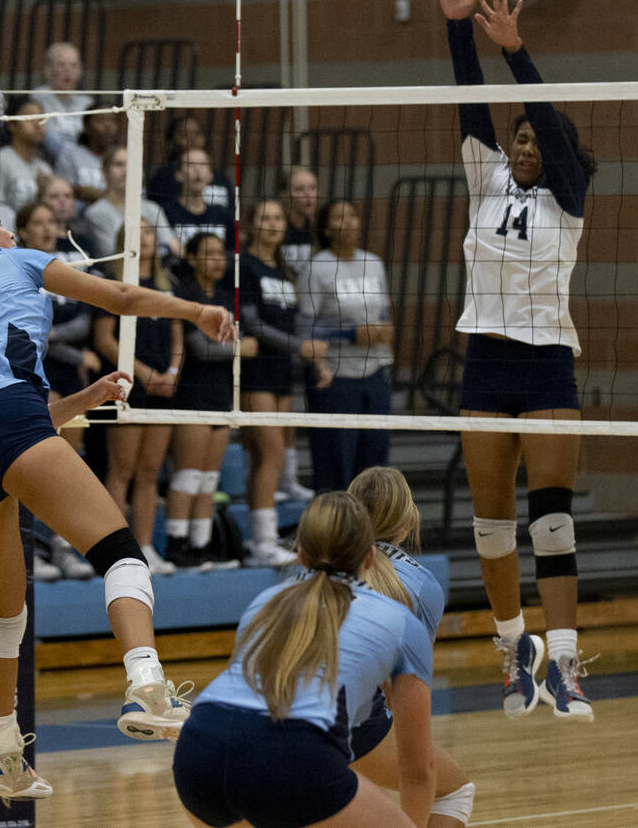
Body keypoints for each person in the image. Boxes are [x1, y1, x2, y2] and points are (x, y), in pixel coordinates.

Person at [0, 194, 234, 800]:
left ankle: (0, 753)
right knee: (121, 553)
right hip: (8, 422)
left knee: (4, 610)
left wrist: (82, 401)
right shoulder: (21, 259)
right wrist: (195, 310)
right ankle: (147, 686)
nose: (5, 227)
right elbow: (123, 299)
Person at [431, 0, 598, 721]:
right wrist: (457, 25)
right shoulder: (486, 173)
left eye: (536, 137)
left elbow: (542, 114)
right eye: (519, 136)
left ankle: (565, 662)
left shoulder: (568, 197)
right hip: (486, 362)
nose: (525, 143)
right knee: (491, 525)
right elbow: (472, 102)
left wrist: (516, 48)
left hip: (547, 366)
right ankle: (514, 651)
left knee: (552, 520)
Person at [172, 491, 435, 828]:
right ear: (370, 557)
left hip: (199, 745)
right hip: (289, 752)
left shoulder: (265, 601)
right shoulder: (401, 622)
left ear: (300, 556)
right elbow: (417, 769)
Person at [348, 467, 475, 828]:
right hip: (353, 721)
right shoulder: (422, 585)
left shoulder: (323, 566)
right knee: (453, 791)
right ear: (410, 518)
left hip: (281, 712)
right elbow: (404, 698)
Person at [240, 198, 331, 568]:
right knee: (271, 454)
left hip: (281, 373)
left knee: (271, 454)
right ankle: (262, 542)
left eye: (278, 217)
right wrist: (301, 347)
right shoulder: (245, 266)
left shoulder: (285, 271)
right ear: (251, 224)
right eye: (265, 217)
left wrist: (317, 360)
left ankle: (261, 539)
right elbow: (253, 324)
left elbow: (296, 326)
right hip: (255, 373)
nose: (274, 223)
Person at [15, 200, 101, 580]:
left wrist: (57, 340)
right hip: (36, 372)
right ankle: (31, 546)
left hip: (68, 373)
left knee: (71, 461)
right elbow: (30, 335)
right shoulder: (17, 270)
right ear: (23, 231)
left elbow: (83, 322)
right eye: (38, 221)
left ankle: (64, 546)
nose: (48, 228)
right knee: (38, 463)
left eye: (52, 222)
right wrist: (70, 349)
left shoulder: (66, 270)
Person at [92, 220, 182, 576]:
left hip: (163, 388)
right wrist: (145, 375)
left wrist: (172, 375)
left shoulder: (167, 285)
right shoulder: (113, 285)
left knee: (150, 472)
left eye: (149, 231)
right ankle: (117, 550)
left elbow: (178, 338)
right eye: (137, 231)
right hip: (127, 386)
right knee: (122, 470)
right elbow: (104, 340)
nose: (144, 237)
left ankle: (144, 546)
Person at [166, 232, 257, 570]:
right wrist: (237, 349)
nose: (218, 260)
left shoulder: (226, 297)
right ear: (191, 259)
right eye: (209, 254)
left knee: (207, 477)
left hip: (221, 394)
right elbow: (201, 348)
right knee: (188, 474)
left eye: (221, 254)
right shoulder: (185, 295)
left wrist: (235, 348)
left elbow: (249, 345)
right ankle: (177, 544)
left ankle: (201, 546)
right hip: (193, 392)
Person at [300, 199, 395, 492]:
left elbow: (384, 313)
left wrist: (386, 328)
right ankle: (334, 533)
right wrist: (351, 334)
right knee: (335, 467)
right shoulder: (316, 268)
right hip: (337, 379)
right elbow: (305, 328)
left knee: (375, 468)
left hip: (376, 373)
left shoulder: (373, 262)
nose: (350, 222)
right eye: (341, 217)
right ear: (327, 229)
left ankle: (371, 534)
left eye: (353, 215)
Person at [275, 165, 320, 502]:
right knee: (276, 404)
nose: (307, 195)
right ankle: (278, 479)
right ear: (284, 194)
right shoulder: (277, 232)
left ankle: (289, 480)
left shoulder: (319, 235)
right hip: (280, 323)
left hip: (311, 322)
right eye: (299, 188)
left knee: (292, 405)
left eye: (311, 188)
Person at [78, 146, 176, 259]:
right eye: (119, 164)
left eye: (131, 165)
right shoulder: (96, 213)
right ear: (104, 172)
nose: (126, 171)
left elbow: (172, 247)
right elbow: (116, 254)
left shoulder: (152, 208)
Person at [146, 113, 233, 212]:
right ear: (171, 142)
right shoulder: (163, 177)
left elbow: (231, 214)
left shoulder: (220, 176)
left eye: (197, 133)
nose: (192, 139)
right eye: (184, 135)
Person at [162, 146, 235, 257]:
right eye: (190, 164)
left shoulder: (223, 215)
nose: (197, 169)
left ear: (210, 175)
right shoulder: (166, 213)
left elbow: (231, 252)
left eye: (203, 164)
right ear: (179, 175)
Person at [30, 41, 91, 164]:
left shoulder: (86, 102)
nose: (67, 70)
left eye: (74, 65)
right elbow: (47, 140)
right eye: (61, 65)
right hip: (46, 162)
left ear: (80, 71)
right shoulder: (37, 98)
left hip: (80, 164)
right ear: (47, 70)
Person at [0, 96, 51, 228]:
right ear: (12, 125)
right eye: (29, 117)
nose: (38, 123)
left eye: (41, 118)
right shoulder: (0, 160)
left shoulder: (44, 167)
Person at [55, 102, 122, 203]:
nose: (108, 126)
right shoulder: (70, 155)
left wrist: (94, 194)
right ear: (86, 127)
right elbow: (62, 189)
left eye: (112, 120)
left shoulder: (122, 158)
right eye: (101, 120)